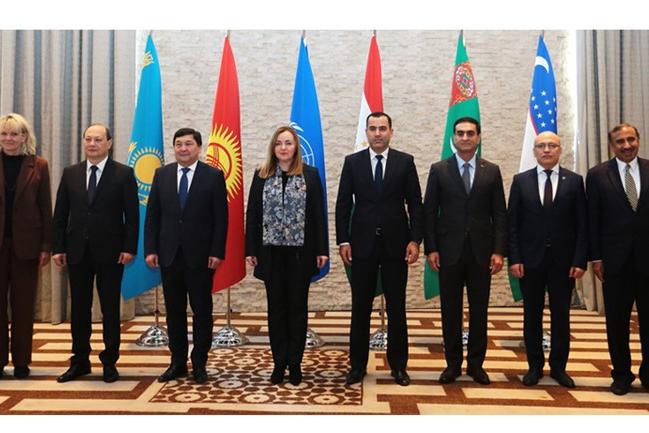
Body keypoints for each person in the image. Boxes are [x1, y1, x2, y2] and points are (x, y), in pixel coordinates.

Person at [335, 112, 423, 387]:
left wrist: (415, 240)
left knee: (397, 307)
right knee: (360, 307)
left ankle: (398, 366)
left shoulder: (405, 162)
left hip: (397, 246)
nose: (377, 133)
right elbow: (343, 204)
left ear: (391, 132)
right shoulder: (353, 162)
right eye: (372, 128)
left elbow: (415, 204)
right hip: (361, 246)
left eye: (382, 128)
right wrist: (343, 240)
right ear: (366, 132)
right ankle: (357, 366)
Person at [52, 123, 139, 383]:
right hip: (77, 252)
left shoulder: (123, 174)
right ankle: (80, 361)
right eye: (88, 139)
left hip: (112, 253)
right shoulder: (71, 173)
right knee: (79, 309)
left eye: (98, 139)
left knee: (110, 309)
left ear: (109, 143)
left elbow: (132, 216)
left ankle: (110, 362)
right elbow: (60, 214)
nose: (92, 144)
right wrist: (58, 247)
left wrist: (129, 247)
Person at [424, 117, 506, 386]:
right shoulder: (439, 169)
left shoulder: (491, 171)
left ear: (478, 137)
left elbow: (499, 214)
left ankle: (476, 364)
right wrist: (431, 248)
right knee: (450, 311)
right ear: (453, 137)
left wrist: (499, 251)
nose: (465, 138)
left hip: (482, 253)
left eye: (470, 133)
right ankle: (452, 364)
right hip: (448, 251)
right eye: (460, 133)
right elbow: (429, 212)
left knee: (479, 310)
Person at [245, 126, 329, 386]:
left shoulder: (310, 175)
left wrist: (322, 249)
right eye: (279, 143)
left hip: (301, 254)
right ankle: (279, 363)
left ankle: (295, 363)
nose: (283, 148)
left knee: (297, 308)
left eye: (288, 143)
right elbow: (253, 214)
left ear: (296, 147)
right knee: (276, 309)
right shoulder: (261, 175)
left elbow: (318, 214)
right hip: (270, 253)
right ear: (273, 147)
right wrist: (250, 250)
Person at [144, 127, 228, 385]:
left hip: (201, 257)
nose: (183, 148)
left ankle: (199, 362)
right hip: (169, 255)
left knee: (202, 311)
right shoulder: (162, 174)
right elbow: (153, 215)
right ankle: (177, 362)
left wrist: (216, 251)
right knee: (174, 312)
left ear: (199, 147)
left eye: (188, 144)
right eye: (178, 144)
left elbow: (221, 219)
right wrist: (151, 249)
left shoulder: (213, 176)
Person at [508, 131, 587, 388]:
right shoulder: (521, 181)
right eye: (541, 146)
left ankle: (559, 367)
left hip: (564, 264)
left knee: (561, 316)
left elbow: (582, 225)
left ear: (559, 150)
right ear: (534, 151)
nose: (546, 150)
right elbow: (513, 225)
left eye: (552, 145)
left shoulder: (574, 181)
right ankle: (534, 366)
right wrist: (514, 258)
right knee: (532, 315)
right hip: (529, 262)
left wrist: (579, 260)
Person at [586, 123, 649, 395]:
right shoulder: (597, 175)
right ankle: (621, 375)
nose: (626, 145)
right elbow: (592, 220)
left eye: (631, 139)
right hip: (614, 262)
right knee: (617, 322)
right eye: (620, 141)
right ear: (612, 146)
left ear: (638, 140)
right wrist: (596, 258)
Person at [0, 113, 52, 379]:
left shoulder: (38, 165)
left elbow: (45, 208)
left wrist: (46, 246)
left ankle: (21, 361)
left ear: (24, 136)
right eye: (4, 134)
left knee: (23, 305)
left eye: (14, 134)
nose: (8, 139)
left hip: (27, 246)